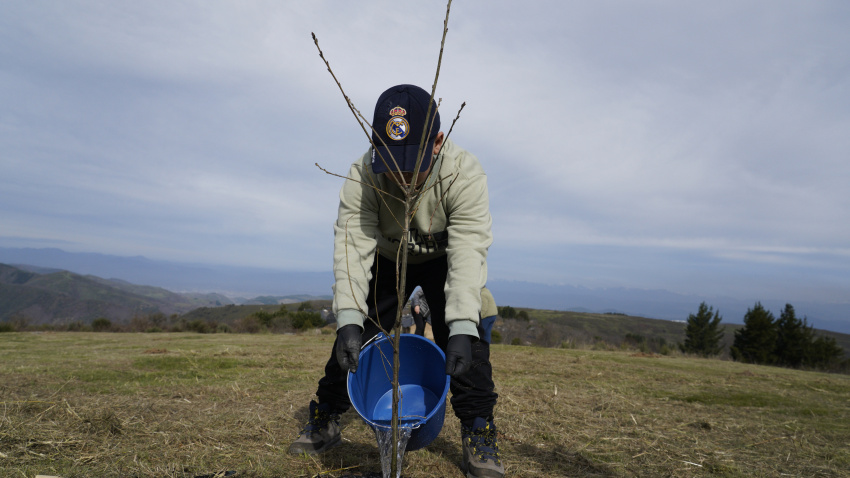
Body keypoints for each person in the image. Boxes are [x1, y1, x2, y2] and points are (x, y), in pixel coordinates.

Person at [289, 84, 504, 478]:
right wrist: (351, 318)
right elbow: (352, 246)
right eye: (391, 161)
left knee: (469, 342)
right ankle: (327, 414)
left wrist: (458, 327)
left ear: (438, 141)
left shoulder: (465, 174)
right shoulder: (362, 175)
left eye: (413, 162)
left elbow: (468, 254)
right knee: (354, 340)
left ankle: (478, 429)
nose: (402, 175)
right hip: (387, 261)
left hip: (444, 263)